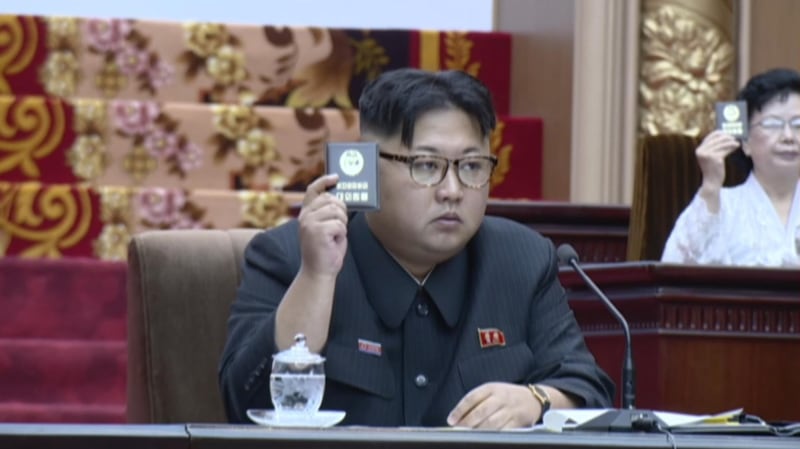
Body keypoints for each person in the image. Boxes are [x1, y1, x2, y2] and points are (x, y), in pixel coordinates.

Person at [218, 68, 614, 429]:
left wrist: (536, 400)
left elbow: (588, 389)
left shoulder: (522, 261)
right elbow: (243, 403)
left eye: (472, 167)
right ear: (367, 165)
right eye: (426, 166)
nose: (452, 191)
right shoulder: (288, 255)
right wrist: (317, 276)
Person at [662, 68, 800, 267]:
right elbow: (675, 269)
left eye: (798, 124)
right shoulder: (722, 206)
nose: (788, 136)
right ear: (745, 142)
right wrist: (710, 186)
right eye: (772, 124)